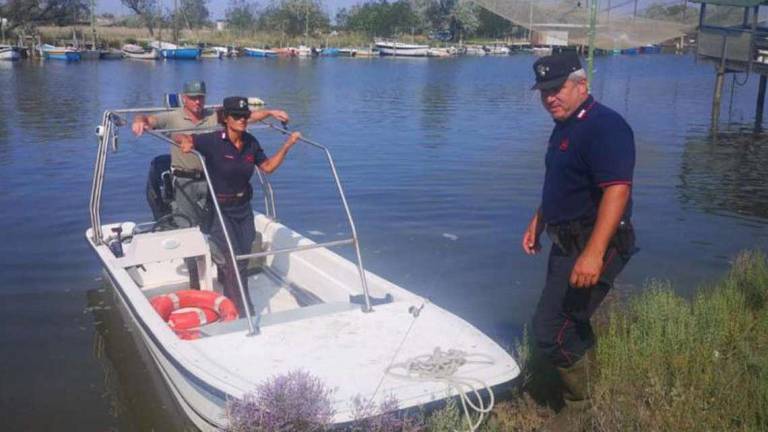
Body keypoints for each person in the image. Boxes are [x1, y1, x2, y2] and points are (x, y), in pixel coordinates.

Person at [522, 53, 636, 432]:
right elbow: (563, 180)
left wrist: (594, 254)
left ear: (581, 86)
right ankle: (586, 383)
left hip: (595, 243)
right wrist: (538, 220)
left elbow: (617, 191)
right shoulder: (565, 125)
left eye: (557, 89)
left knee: (548, 329)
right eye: (544, 92)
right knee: (571, 319)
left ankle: (580, 408)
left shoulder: (605, 127)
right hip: (566, 241)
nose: (550, 98)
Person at [132, 80, 289, 290]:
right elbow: (147, 119)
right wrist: (139, 121)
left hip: (210, 180)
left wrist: (270, 113)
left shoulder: (213, 115)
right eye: (193, 97)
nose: (198, 102)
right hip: (184, 180)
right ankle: (194, 278)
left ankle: (225, 272)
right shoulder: (172, 117)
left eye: (201, 97)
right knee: (187, 229)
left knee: (215, 229)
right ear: (184, 98)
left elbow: (245, 117)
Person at [180, 96, 301, 315]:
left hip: (243, 208)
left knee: (243, 257)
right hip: (219, 209)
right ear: (226, 118)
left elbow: (267, 167)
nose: (242, 120)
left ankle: (229, 293)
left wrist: (287, 146)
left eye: (245, 116)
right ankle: (244, 311)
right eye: (237, 116)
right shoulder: (213, 140)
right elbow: (187, 138)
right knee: (235, 259)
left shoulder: (251, 142)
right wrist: (186, 142)